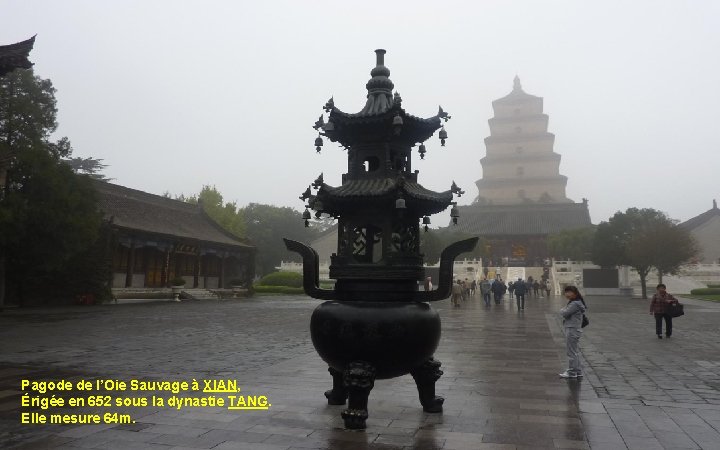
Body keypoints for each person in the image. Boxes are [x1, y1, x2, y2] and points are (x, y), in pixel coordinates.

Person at [559, 285, 587, 378]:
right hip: (575, 329)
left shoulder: (574, 304)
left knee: (571, 352)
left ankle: (572, 372)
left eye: (569, 292)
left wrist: (562, 309)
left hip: (572, 329)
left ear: (575, 293)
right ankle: (578, 371)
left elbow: (565, 313)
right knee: (574, 351)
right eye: (566, 292)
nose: (567, 294)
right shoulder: (577, 302)